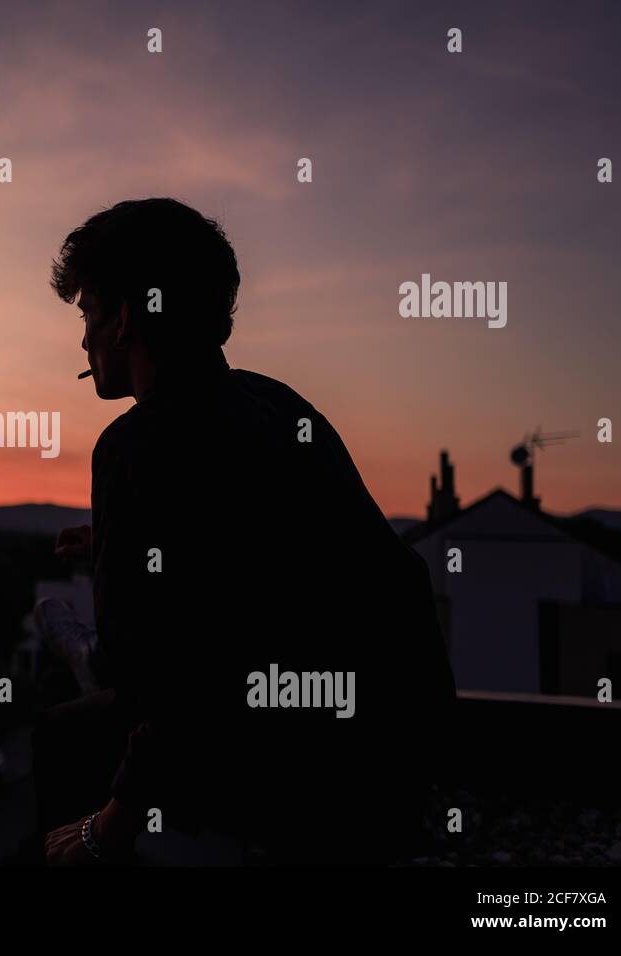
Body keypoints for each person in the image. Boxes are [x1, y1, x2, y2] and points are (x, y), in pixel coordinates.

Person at [34, 198, 456, 866]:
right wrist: (117, 541)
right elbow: (306, 567)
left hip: (275, 799)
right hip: (380, 774)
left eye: (87, 313)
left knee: (62, 739)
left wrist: (107, 826)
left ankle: (77, 656)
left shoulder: (133, 446)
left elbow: (181, 681)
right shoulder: (280, 405)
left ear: (122, 319)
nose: (81, 339)